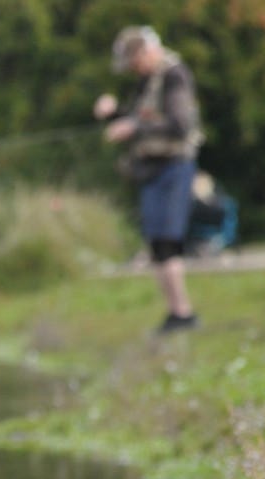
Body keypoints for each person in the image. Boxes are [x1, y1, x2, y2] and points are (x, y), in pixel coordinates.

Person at [94, 25, 204, 334]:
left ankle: (183, 314)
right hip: (151, 170)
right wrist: (114, 113)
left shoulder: (173, 76)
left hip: (173, 166)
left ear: (145, 52)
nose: (132, 69)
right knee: (156, 242)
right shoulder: (147, 81)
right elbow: (138, 117)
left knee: (168, 239)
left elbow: (179, 125)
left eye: (134, 61)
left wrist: (133, 129)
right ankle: (176, 312)